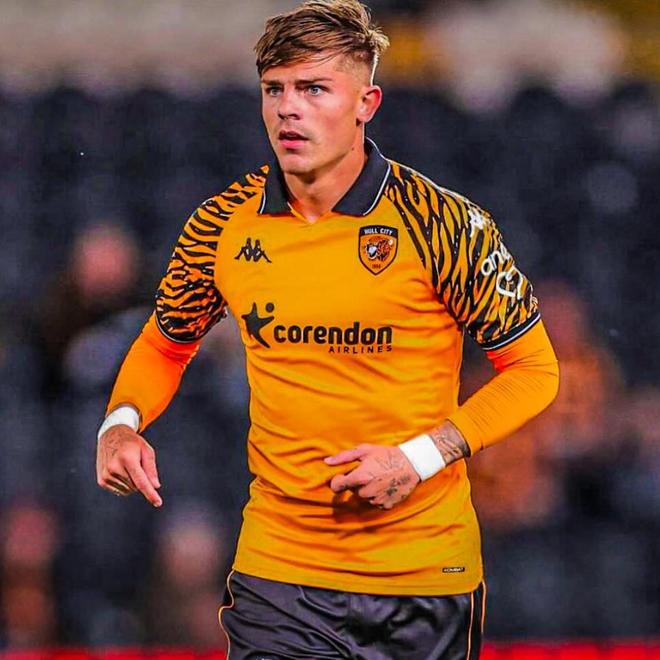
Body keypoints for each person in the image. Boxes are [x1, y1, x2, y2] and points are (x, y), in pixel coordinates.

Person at [96, 1, 559, 657]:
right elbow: (165, 344)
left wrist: (418, 458)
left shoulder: (446, 225)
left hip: (424, 578)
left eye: (313, 89)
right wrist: (121, 422)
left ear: (367, 103)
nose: (289, 109)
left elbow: (535, 371)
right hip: (279, 576)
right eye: (274, 90)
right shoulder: (220, 225)